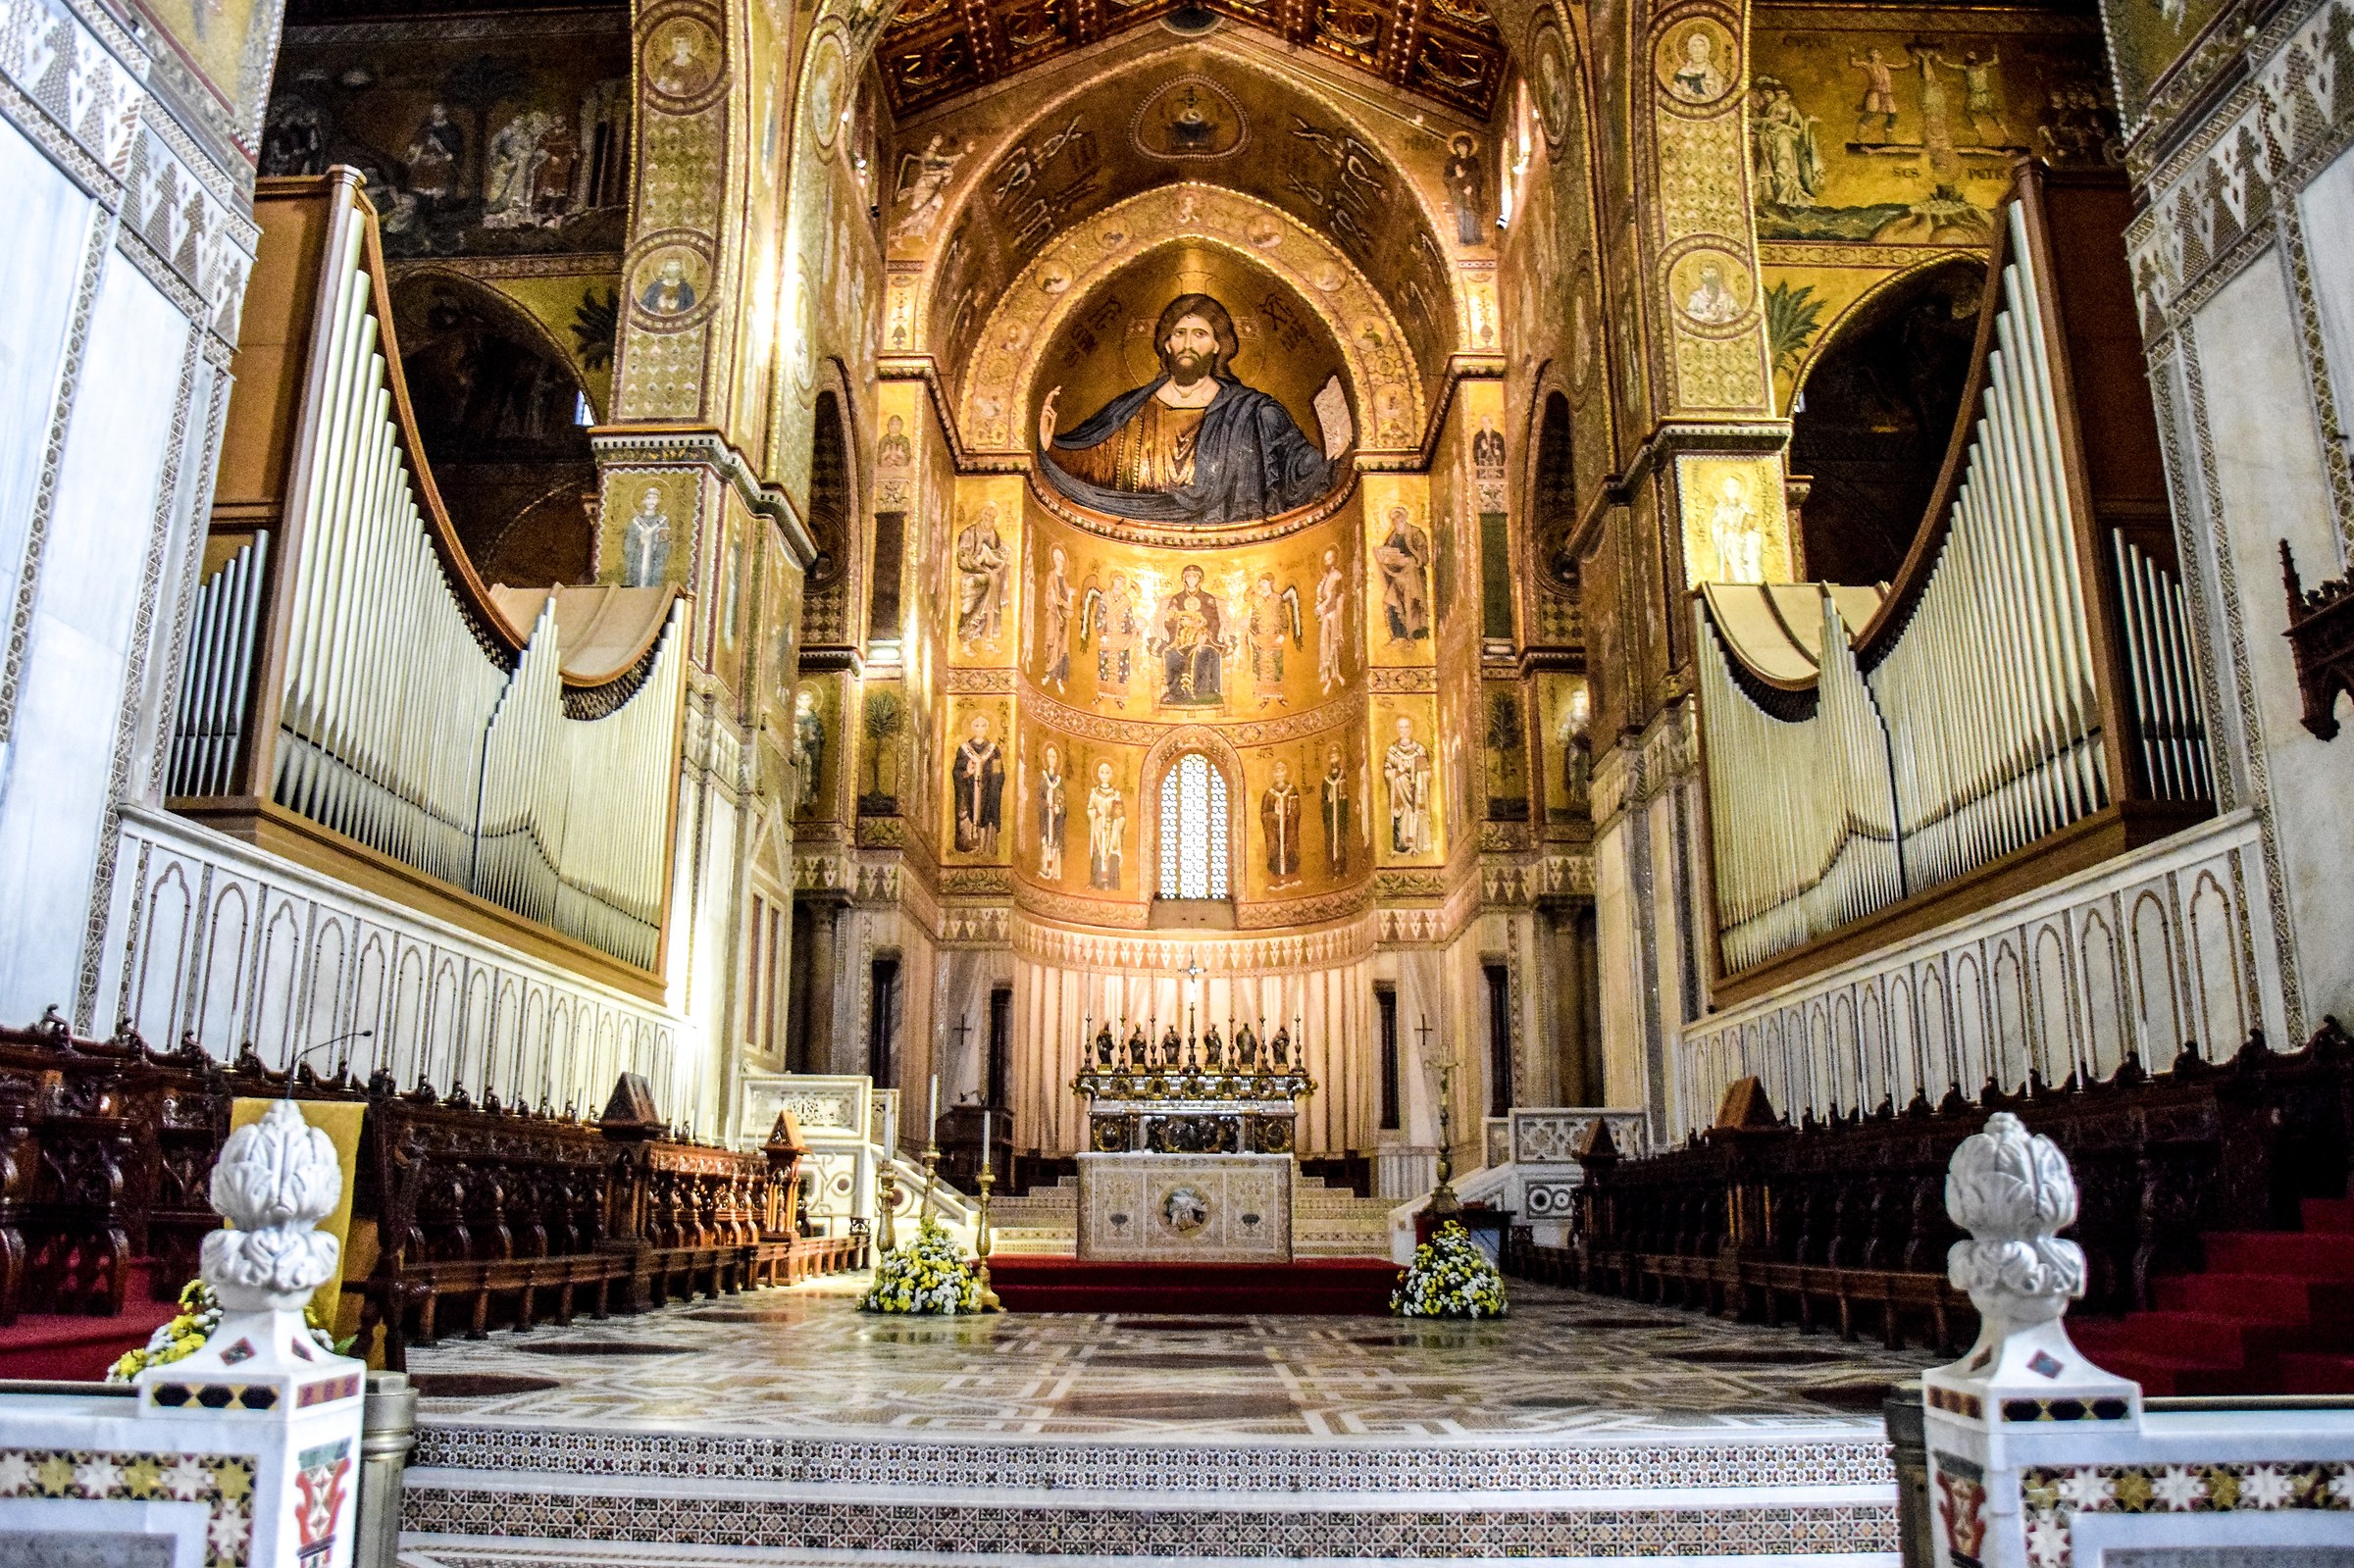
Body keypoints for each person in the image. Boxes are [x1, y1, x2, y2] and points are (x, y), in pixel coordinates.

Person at [1036, 293, 1347, 525]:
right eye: (1179, 334)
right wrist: (1050, 446)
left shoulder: (1255, 413)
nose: (1187, 343)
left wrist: (1340, 459)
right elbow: (1091, 463)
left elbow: (1303, 474)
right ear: (1167, 344)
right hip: (1135, 541)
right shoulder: (1129, 411)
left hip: (1238, 555)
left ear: (1216, 346)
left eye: (1200, 334)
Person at [951, 715, 1004, 855]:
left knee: (988, 810)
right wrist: (967, 773)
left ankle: (984, 846)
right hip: (968, 791)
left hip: (987, 791)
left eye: (983, 726)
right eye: (976, 725)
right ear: (971, 728)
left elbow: (998, 773)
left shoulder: (994, 750)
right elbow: (956, 772)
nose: (979, 729)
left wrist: (992, 779)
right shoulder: (964, 750)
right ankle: (967, 844)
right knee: (964, 810)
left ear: (987, 728)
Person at [1262, 760, 1303, 885]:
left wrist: (1289, 814)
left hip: (1289, 826)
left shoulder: (1291, 790)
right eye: (1277, 771)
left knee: (1289, 847)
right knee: (1276, 848)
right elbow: (1264, 814)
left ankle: (1291, 877)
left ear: (1286, 772)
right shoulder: (1269, 793)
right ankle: (1277, 878)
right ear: (1274, 773)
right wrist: (1275, 815)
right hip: (1275, 828)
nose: (1280, 774)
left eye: (1282, 770)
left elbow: (1297, 811)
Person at [1087, 761, 1125, 888]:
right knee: (1098, 852)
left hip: (1111, 828)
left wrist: (1116, 818)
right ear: (1098, 774)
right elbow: (1090, 809)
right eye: (1102, 772)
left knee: (1111, 853)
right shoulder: (1094, 792)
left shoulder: (1116, 794)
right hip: (1098, 827)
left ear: (1111, 775)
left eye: (1107, 772)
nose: (1104, 775)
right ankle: (1097, 881)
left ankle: (1110, 881)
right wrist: (1095, 814)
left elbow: (1120, 812)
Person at [1038, 743, 1067, 881]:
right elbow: (1039, 798)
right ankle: (1045, 869)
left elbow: (1062, 799)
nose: (1052, 759)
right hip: (1045, 816)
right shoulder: (1043, 779)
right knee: (1045, 842)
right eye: (1049, 756)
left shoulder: (1059, 781)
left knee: (1055, 842)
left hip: (1055, 818)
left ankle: (1055, 872)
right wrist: (1045, 805)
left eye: (1054, 756)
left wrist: (1058, 808)